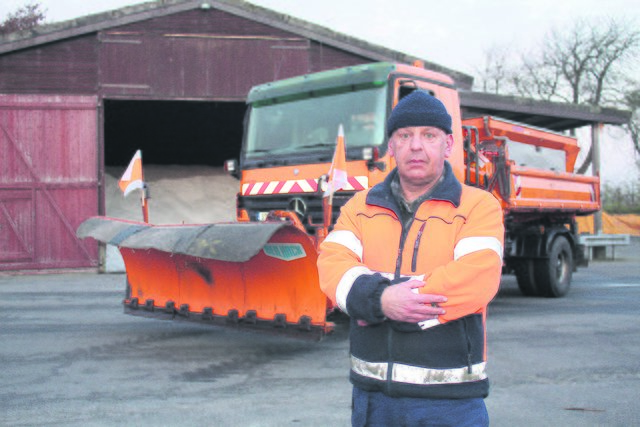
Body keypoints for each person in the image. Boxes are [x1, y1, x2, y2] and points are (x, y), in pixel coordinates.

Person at [317, 90, 504, 427]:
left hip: (450, 403)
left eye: (428, 135)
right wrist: (382, 300)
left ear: (448, 145)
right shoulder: (359, 206)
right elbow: (332, 265)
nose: (416, 146)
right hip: (372, 401)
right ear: (392, 147)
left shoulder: (477, 206)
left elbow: (477, 278)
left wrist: (382, 304)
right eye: (405, 136)